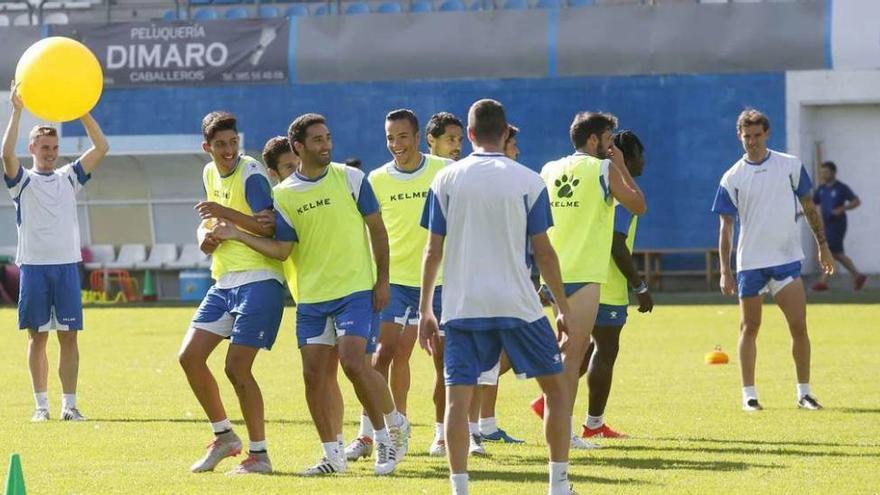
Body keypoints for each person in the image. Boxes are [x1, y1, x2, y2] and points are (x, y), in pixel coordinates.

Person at [212, 113, 407, 476]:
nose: (326, 144)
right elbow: (283, 249)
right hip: (312, 299)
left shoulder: (351, 179)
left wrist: (382, 282)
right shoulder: (283, 195)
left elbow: (378, 232)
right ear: (299, 147)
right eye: (317, 139)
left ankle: (386, 436)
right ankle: (332, 457)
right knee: (314, 376)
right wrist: (238, 234)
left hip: (355, 290)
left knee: (353, 363)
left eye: (328, 137)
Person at [419, 99, 575, 495]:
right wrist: (562, 307)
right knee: (556, 392)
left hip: (462, 307)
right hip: (519, 305)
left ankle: (459, 488)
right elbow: (544, 252)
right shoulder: (528, 180)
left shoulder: (445, 180)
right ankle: (558, 486)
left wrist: (425, 310)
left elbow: (431, 251)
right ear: (506, 134)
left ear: (469, 135)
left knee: (458, 400)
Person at [177, 111, 284, 475]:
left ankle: (260, 455)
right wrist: (205, 237)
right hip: (223, 282)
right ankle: (224, 436)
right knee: (189, 357)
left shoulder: (251, 174)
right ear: (207, 147)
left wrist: (225, 213)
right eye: (220, 145)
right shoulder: (209, 172)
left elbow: (267, 229)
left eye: (233, 142)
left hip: (259, 281)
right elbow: (209, 223)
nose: (228, 151)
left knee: (237, 367)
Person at [531, 112, 646, 451]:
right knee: (572, 354)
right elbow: (638, 205)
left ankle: (558, 424)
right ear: (594, 139)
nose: (612, 147)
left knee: (566, 351)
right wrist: (621, 166)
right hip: (583, 276)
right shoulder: (604, 168)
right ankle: (564, 431)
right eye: (609, 140)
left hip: (553, 271)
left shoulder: (550, 169)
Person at [712, 108, 833, 411]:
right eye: (746, 136)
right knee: (748, 328)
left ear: (766, 134)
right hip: (750, 264)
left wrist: (823, 245)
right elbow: (725, 228)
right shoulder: (731, 177)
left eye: (757, 135)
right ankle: (749, 396)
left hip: (785, 260)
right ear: (739, 137)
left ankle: (804, 393)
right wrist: (725, 270)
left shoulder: (790, 166)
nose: (752, 141)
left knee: (799, 327)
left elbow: (809, 207)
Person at [2, 80, 109, 423]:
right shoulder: (22, 182)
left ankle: (69, 405)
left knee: (69, 337)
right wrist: (16, 111)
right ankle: (41, 406)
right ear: (32, 147)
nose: (50, 152)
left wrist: (83, 112)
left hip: (65, 267)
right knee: (37, 338)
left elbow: (101, 146)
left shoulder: (69, 177)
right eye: (44, 146)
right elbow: (6, 154)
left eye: (54, 146)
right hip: (34, 267)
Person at [345, 109, 447, 461]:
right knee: (379, 357)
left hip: (439, 282)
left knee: (443, 360)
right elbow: (369, 232)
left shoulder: (442, 171)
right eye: (390, 138)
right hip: (393, 283)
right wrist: (376, 278)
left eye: (402, 137)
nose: (396, 144)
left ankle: (442, 435)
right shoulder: (376, 179)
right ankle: (369, 434)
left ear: (418, 138)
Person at [423, 111, 493, 457]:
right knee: (441, 363)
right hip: (430, 285)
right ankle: (440, 433)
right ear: (431, 141)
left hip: (467, 281)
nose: (456, 146)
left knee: (474, 361)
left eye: (459, 140)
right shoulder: (421, 177)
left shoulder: (467, 176)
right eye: (449, 139)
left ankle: (473, 432)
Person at [477, 123, 525, 445]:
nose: (517, 152)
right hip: (489, 282)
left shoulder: (514, 182)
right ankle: (480, 425)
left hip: (509, 280)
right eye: (512, 145)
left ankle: (485, 423)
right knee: (495, 355)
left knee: (498, 355)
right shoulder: (483, 183)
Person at [811, 161, 866, 291]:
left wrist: (842, 208)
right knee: (837, 254)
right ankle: (858, 276)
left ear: (833, 172)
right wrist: (800, 213)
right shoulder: (822, 189)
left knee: (831, 251)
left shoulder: (841, 188)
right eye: (822, 172)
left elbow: (856, 201)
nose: (824, 174)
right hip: (827, 225)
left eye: (826, 172)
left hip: (838, 224)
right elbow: (813, 204)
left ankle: (822, 282)